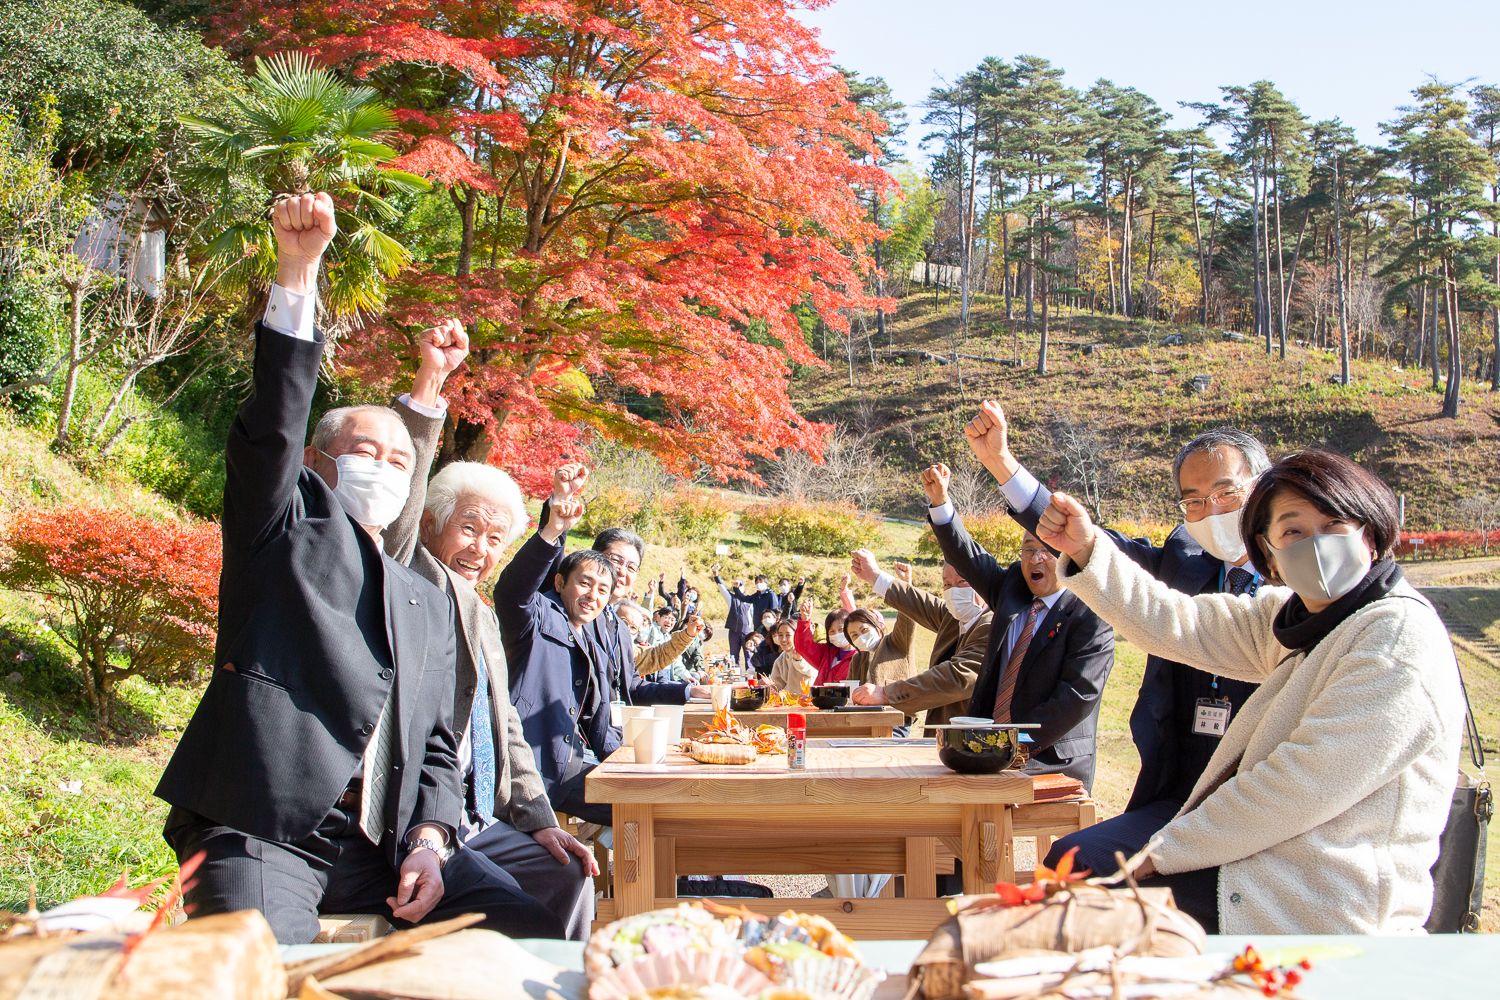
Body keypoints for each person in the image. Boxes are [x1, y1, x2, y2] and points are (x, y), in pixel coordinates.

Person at [156, 192, 559, 944]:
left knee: (529, 933)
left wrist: (430, 839)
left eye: (400, 461)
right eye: (363, 453)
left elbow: (435, 742)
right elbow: (273, 429)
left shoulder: (419, 596)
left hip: (383, 844)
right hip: (264, 826)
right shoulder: (282, 535)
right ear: (317, 464)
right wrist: (298, 273)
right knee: (258, 969)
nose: (383, 467)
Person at [1037, 451, 1465, 934]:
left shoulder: (1395, 638)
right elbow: (1175, 620)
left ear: (1369, 532)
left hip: (1327, 898)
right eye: (1293, 531)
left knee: (1093, 917)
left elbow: (1300, 784)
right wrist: (1088, 549)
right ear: (1268, 550)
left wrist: (1164, 851)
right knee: (1075, 895)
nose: (1316, 545)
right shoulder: (1298, 620)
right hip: (1263, 868)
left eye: (1334, 525)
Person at [962, 401, 1267, 874]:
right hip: (1184, 797)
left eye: (1227, 494)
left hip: (1266, 804)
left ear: (1262, 490)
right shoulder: (1184, 565)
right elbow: (1086, 540)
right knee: (1073, 864)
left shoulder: (1302, 581)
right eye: (1194, 502)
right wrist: (1002, 464)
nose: (1210, 512)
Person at [384, 355, 599, 939]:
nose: (480, 548)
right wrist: (428, 389)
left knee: (568, 872)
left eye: (494, 538)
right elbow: (398, 517)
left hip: (481, 814)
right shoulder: (407, 578)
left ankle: (562, 979)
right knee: (514, 906)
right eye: (469, 528)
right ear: (430, 525)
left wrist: (540, 820)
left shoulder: (480, 614)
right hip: (420, 818)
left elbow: (505, 724)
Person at [922, 463, 1115, 789]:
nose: (1035, 559)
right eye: (1028, 549)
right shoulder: (1011, 587)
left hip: (1052, 759)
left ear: (1069, 556)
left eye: (1047, 551)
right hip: (987, 751)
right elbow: (967, 556)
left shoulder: (1090, 614)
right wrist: (940, 503)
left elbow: (1078, 695)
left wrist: (1012, 745)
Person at [495, 498, 619, 826]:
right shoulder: (538, 617)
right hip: (534, 767)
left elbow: (598, 721)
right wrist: (553, 529)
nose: (593, 595)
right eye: (585, 583)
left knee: (651, 798)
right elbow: (512, 592)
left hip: (575, 761)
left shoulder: (592, 641)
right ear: (560, 583)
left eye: (603, 590)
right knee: (639, 807)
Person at [849, 552, 994, 726]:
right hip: (945, 732)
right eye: (947, 584)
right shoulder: (954, 617)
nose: (954, 591)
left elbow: (960, 676)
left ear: (983, 582)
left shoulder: (992, 624)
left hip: (975, 735)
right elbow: (916, 602)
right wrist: (874, 575)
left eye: (962, 581)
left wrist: (887, 693)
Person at [793, 583, 856, 684]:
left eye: (841, 629)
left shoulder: (860, 657)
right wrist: (805, 619)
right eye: (832, 631)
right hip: (820, 694)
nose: (837, 634)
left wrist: (845, 593)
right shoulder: (826, 653)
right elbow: (803, 646)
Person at [714, 566, 757, 667]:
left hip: (747, 632)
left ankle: (750, 674)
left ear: (743, 587)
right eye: (736, 584)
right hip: (733, 632)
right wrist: (716, 575)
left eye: (740, 584)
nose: (738, 586)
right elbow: (722, 588)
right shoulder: (731, 599)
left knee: (749, 655)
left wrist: (754, 631)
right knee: (733, 657)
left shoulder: (749, 600)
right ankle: (735, 674)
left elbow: (754, 617)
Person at [765, 620, 816, 695]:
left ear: (797, 635)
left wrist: (799, 661)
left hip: (808, 698)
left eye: (788, 635)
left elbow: (813, 672)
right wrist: (766, 686)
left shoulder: (807, 651)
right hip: (788, 700)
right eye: (780, 635)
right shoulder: (780, 659)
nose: (783, 639)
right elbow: (776, 686)